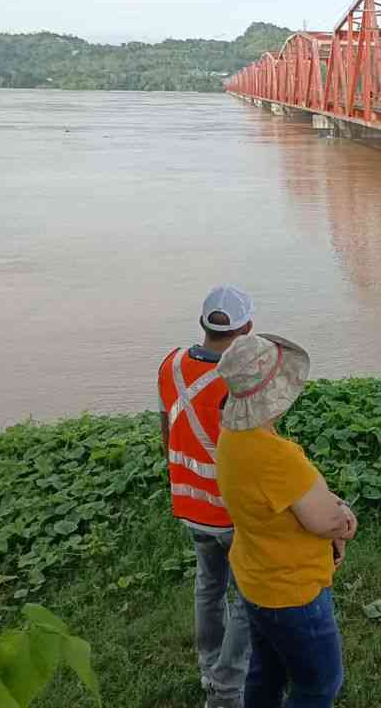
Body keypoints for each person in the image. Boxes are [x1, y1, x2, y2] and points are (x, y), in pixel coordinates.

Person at [215, 333, 357, 708]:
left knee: (268, 671)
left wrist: (330, 510)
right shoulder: (277, 457)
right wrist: (343, 519)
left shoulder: (231, 438)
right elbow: (325, 521)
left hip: (256, 579)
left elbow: (293, 503)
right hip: (291, 590)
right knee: (319, 684)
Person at [157, 285, 254, 708]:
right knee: (249, 599)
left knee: (208, 587)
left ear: (203, 324)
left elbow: (166, 434)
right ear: (247, 328)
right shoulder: (242, 377)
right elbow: (258, 453)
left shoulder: (170, 365)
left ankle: (208, 667)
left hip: (189, 504)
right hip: (233, 512)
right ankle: (226, 687)